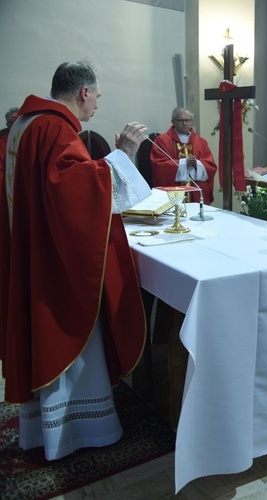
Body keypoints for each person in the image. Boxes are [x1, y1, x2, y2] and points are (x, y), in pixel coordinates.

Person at [0, 60, 151, 460]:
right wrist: (123, 156)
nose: (98, 104)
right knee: (72, 332)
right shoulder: (54, 127)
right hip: (57, 267)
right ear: (84, 92)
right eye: (98, 95)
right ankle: (77, 433)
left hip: (36, 251)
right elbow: (74, 192)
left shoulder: (24, 124)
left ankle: (42, 432)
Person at [150, 107, 218, 205]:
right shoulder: (162, 140)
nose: (184, 123)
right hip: (174, 188)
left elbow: (210, 166)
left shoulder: (201, 142)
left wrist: (197, 164)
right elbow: (158, 166)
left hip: (196, 191)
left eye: (187, 120)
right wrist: (183, 163)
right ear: (173, 121)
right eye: (181, 120)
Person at [0, 106, 19, 174]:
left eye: (18, 120)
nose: (17, 124)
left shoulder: (31, 136)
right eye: (12, 122)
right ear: (8, 126)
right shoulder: (2, 143)